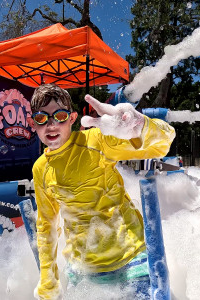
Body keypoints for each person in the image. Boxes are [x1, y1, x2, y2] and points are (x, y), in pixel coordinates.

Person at [27, 83, 175, 300]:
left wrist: (140, 125)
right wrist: (48, 278)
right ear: (33, 124)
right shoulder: (40, 168)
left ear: (72, 118)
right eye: (42, 118)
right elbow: (46, 224)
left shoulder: (96, 141)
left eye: (59, 115)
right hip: (84, 271)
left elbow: (162, 145)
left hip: (132, 262)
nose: (51, 125)